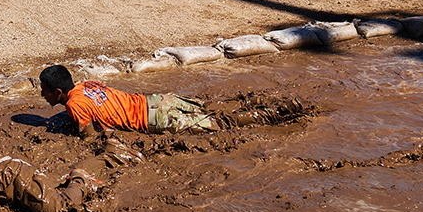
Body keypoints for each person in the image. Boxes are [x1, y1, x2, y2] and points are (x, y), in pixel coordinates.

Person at [39, 65, 307, 140]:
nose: (43, 95)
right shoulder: (86, 84)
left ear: (59, 92)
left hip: (155, 120)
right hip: (158, 100)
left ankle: (280, 112)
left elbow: (89, 137)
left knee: (220, 123)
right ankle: (264, 101)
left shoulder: (74, 106)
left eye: (45, 91)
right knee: (212, 107)